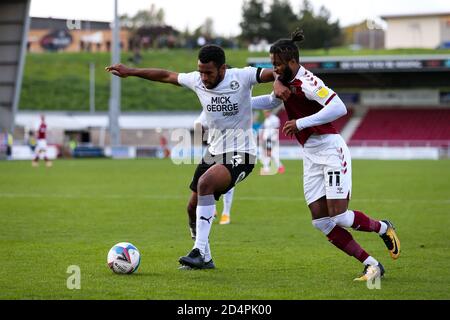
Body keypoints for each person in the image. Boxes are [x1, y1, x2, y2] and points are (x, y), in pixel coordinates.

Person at [106, 44, 275, 269]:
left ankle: (198, 251)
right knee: (191, 208)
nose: (204, 77)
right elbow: (166, 75)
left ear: (222, 68)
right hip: (214, 151)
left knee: (206, 183)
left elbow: (274, 72)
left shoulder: (241, 77)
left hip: (242, 153)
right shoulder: (196, 80)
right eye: (201, 71)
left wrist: (281, 81)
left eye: (209, 73)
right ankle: (205, 257)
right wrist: (131, 71)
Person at [251, 29, 400, 282]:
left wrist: (300, 123)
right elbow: (271, 100)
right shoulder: (286, 81)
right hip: (310, 154)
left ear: (292, 62)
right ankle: (371, 264)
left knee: (339, 215)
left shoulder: (308, 82)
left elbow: (339, 107)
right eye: (272, 64)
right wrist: (239, 102)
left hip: (331, 150)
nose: (274, 69)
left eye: (277, 65)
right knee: (321, 221)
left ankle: (384, 227)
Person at [194, 111, 235, 225]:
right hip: (213, 148)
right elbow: (198, 123)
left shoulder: (232, 103)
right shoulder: (210, 104)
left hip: (231, 148)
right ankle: (213, 209)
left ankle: (226, 213)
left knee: (228, 181)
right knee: (207, 180)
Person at [260, 109, 284, 175]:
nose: (265, 114)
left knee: (267, 153)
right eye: (264, 113)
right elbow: (265, 129)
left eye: (266, 112)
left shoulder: (275, 119)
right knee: (270, 153)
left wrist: (272, 137)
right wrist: (262, 136)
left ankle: (266, 169)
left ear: (269, 112)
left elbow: (277, 129)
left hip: (271, 139)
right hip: (266, 139)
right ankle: (280, 167)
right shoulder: (266, 120)